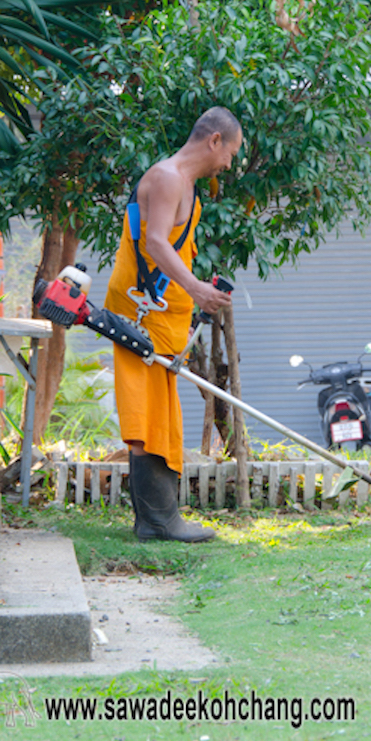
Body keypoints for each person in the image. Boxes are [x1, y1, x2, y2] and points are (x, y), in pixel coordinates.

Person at [105, 107, 242, 542]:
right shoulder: (167, 177)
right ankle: (157, 522)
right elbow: (155, 242)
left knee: (162, 413)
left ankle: (161, 518)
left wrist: (194, 293)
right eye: (232, 153)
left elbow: (175, 250)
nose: (229, 164)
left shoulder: (189, 188)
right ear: (215, 140)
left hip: (163, 315)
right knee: (145, 413)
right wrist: (198, 289)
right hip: (139, 313)